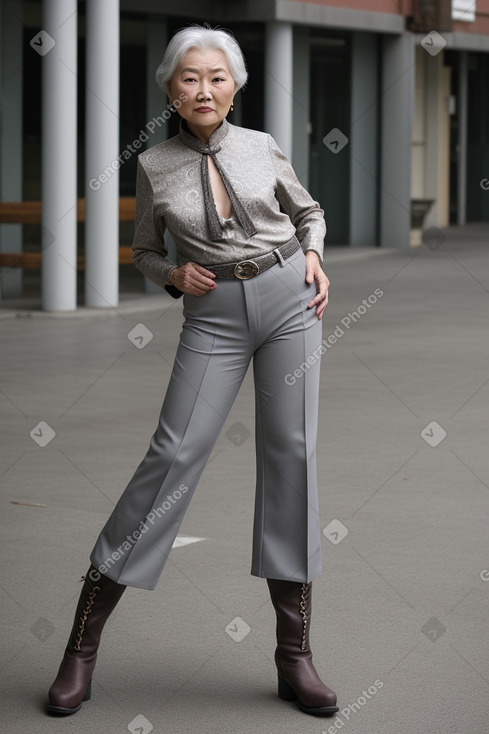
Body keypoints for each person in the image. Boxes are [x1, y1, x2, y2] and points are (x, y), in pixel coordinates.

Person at [46, 24, 338, 718]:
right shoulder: (154, 164)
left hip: (288, 298)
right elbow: (145, 250)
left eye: (216, 76)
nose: (203, 88)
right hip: (211, 315)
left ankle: (293, 656)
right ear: (170, 89)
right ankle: (80, 648)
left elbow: (307, 211)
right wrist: (172, 273)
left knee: (291, 457)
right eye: (188, 77)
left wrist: (315, 255)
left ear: (234, 85)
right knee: (171, 455)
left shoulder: (260, 146)